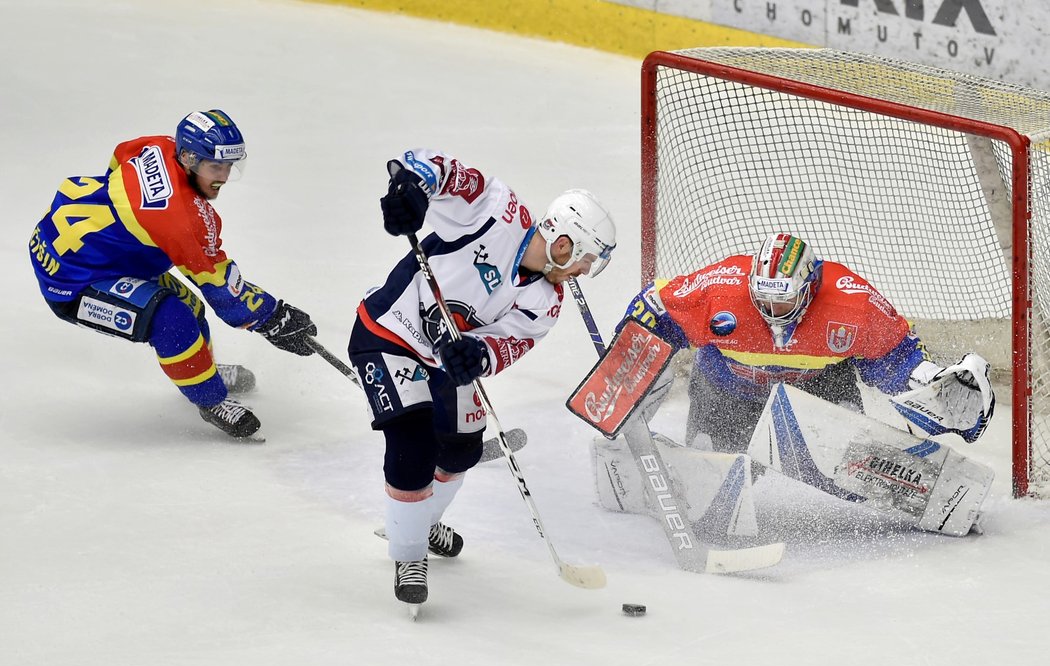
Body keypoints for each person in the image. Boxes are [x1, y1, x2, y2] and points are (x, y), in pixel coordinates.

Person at [349, 148, 615, 608]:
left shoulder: (547, 301)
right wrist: (411, 188)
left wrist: (477, 354)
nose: (583, 272)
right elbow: (444, 172)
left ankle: (420, 518)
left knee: (462, 447)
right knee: (413, 443)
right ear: (564, 243)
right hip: (387, 332)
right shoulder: (500, 213)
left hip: (437, 358)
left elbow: (508, 342)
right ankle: (409, 552)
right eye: (586, 260)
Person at [28, 110, 317, 439]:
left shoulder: (159, 147)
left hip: (75, 248)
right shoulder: (182, 221)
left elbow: (121, 154)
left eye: (229, 166)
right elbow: (221, 288)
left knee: (191, 309)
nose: (223, 176)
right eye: (215, 166)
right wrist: (274, 317)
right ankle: (211, 401)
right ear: (190, 158)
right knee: (172, 319)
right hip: (74, 280)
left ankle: (204, 372)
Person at [618, 232, 995, 452]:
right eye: (763, 298)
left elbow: (893, 357)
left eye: (782, 299)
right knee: (712, 473)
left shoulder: (852, 302)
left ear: (810, 286)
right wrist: (626, 356)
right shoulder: (721, 291)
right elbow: (656, 304)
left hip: (819, 392)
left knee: (852, 459)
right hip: (727, 391)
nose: (771, 309)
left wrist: (928, 381)